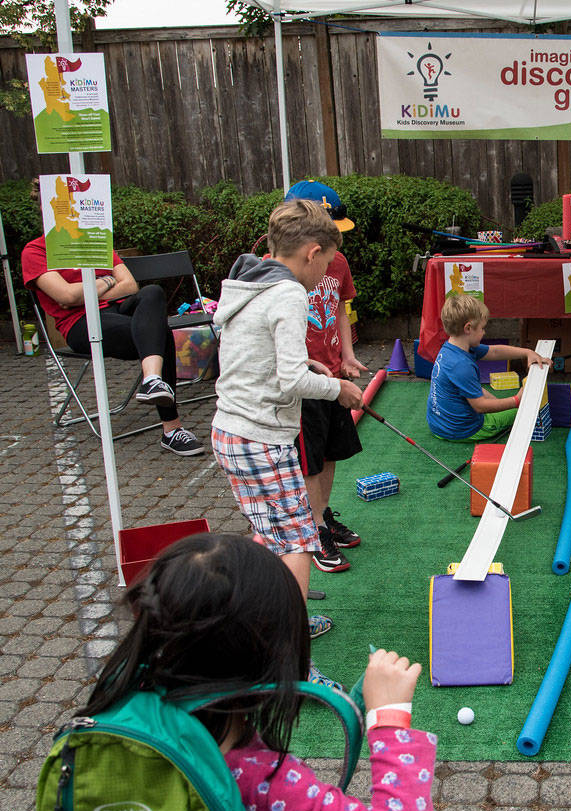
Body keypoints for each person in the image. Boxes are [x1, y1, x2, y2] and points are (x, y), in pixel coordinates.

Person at [77, 533, 436, 811]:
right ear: (273, 656)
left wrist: (245, 576)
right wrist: (389, 718)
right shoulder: (266, 785)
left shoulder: (127, 703)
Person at [211, 199, 363, 689]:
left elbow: (265, 357)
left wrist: (312, 368)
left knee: (269, 535)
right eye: (325, 264)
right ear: (312, 252)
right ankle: (292, 662)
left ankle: (266, 623)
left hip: (230, 430)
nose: (326, 274)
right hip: (260, 436)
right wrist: (337, 387)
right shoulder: (291, 295)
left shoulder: (248, 281)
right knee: (297, 542)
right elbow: (291, 378)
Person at [21, 182, 204, 456]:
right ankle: (172, 429)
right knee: (159, 333)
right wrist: (106, 279)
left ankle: (152, 379)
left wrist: (89, 288)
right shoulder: (35, 252)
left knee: (152, 292)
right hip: (80, 323)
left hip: (120, 309)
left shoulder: (95, 240)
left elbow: (131, 286)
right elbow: (67, 297)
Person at [282, 181, 369, 576]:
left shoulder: (337, 263)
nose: (337, 244)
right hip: (305, 381)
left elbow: (339, 310)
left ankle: (321, 514)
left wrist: (347, 356)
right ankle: (313, 530)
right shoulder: (279, 272)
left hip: (332, 372)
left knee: (332, 451)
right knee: (310, 460)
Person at [426, 294, 550, 441]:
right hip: (463, 430)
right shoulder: (461, 365)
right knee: (527, 411)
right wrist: (516, 400)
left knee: (478, 390)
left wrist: (527, 352)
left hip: (437, 425)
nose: (484, 332)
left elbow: (494, 351)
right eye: (483, 328)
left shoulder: (452, 348)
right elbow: (480, 406)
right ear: (468, 328)